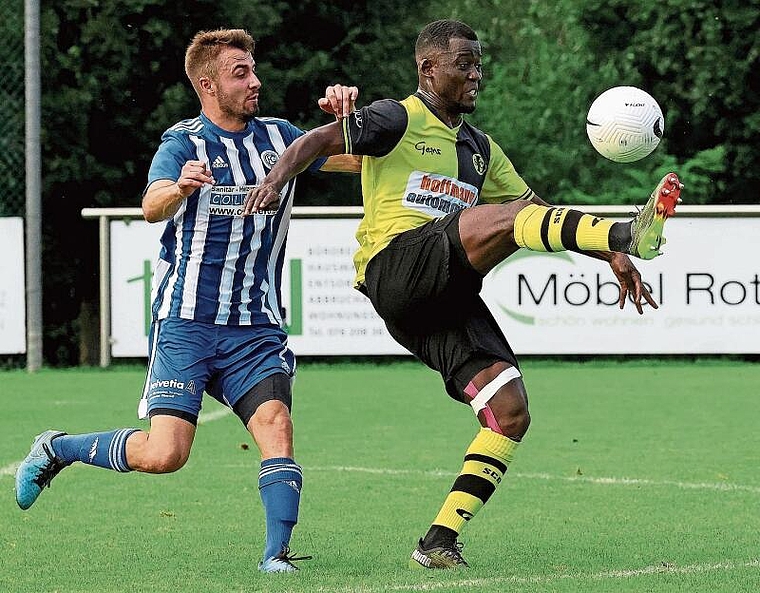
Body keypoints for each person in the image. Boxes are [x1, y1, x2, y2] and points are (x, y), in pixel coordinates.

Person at [243, 19, 683, 569]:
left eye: (479, 65)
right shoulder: (396, 117)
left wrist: (607, 257)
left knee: (509, 411)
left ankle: (438, 542)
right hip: (396, 267)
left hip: (441, 296)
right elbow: (317, 141)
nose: (476, 74)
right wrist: (276, 179)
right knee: (505, 218)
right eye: (463, 64)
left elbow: (536, 210)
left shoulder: (481, 150)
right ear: (428, 68)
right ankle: (626, 230)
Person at [14, 28, 360, 574]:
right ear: (207, 84)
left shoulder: (281, 136)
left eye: (253, 69)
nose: (256, 81)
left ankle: (276, 557)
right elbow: (151, 206)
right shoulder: (182, 143)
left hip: (255, 325)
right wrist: (180, 188)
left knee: (276, 425)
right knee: (165, 455)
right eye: (239, 73)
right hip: (187, 323)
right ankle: (58, 448)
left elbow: (359, 164)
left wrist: (346, 122)